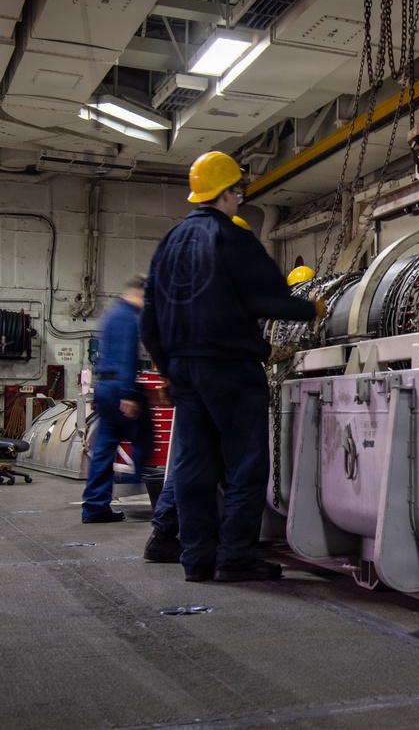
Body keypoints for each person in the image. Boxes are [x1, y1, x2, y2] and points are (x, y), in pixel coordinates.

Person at [141, 151, 323, 583]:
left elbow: (149, 317)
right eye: (237, 190)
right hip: (232, 371)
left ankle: (196, 560)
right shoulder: (231, 238)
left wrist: (167, 368)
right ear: (226, 192)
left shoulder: (169, 243)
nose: (239, 197)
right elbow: (267, 299)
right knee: (244, 465)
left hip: (185, 372)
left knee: (192, 467)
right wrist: (311, 308)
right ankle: (236, 558)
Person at [82, 274, 153, 523]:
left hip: (104, 386)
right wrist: (128, 394)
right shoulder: (128, 317)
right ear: (139, 293)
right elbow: (126, 357)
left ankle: (94, 507)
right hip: (119, 388)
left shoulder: (111, 314)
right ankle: (137, 481)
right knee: (145, 434)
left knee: (104, 448)